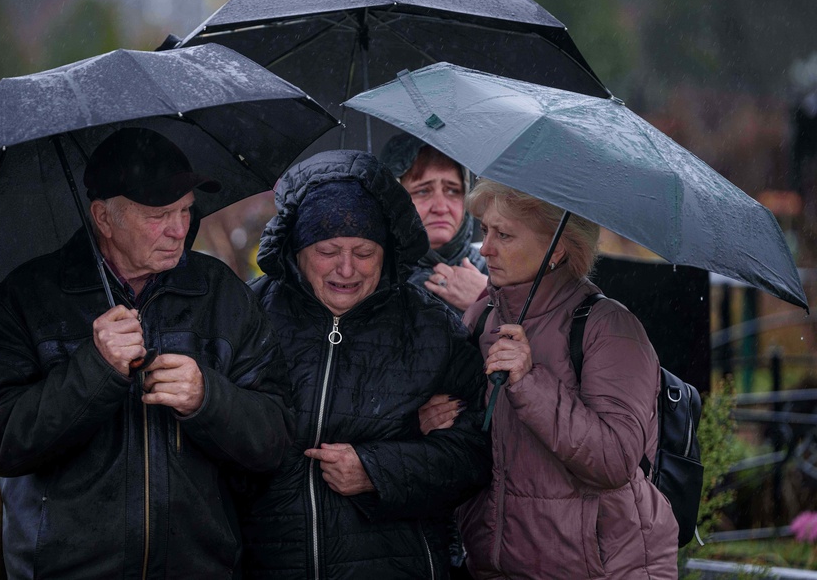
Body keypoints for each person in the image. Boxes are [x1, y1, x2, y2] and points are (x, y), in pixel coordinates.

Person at [0, 127, 294, 580]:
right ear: (103, 218)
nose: (179, 230)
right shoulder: (26, 300)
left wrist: (208, 400)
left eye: (185, 210)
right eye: (159, 215)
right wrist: (94, 370)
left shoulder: (220, 295)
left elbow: (276, 439)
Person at [238, 149, 493, 579]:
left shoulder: (430, 328)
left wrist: (378, 470)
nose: (346, 268)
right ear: (298, 249)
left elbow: (476, 454)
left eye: (364, 251)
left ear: (385, 250)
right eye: (327, 249)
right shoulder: (249, 314)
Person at [450, 178, 678, 579]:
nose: (485, 248)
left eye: (504, 234)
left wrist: (529, 381)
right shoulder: (483, 316)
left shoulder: (610, 328)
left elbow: (614, 461)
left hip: (603, 569)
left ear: (556, 248)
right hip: (497, 566)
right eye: (485, 230)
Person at [379, 132, 488, 315]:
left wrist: (488, 302)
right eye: (423, 191)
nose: (441, 207)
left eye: (453, 190)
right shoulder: (368, 276)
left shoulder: (500, 271)